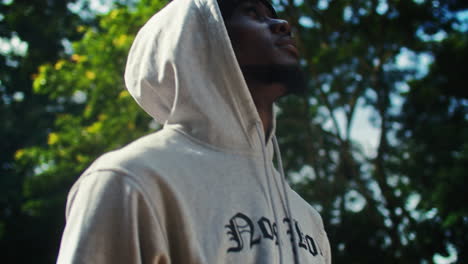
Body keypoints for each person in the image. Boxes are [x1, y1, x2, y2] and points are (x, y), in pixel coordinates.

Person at [56, 0, 331, 263]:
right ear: (201, 42)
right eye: (252, 13)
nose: (282, 24)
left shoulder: (307, 218)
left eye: (271, 14)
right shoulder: (132, 181)